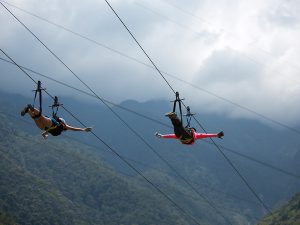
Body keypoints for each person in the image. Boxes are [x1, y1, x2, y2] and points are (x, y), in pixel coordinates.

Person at [21, 104, 92, 139]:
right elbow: (73, 128)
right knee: (39, 117)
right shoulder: (62, 126)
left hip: (47, 127)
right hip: (51, 124)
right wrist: (83, 129)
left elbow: (43, 134)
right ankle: (31, 109)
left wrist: (45, 135)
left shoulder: (60, 127)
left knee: (38, 117)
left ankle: (28, 110)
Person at [155, 112, 224, 145]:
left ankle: (174, 117)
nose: (191, 129)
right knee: (177, 126)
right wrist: (162, 136)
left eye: (191, 129)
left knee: (179, 126)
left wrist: (216, 135)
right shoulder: (193, 134)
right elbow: (171, 136)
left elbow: (206, 135)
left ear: (193, 130)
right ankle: (172, 117)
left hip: (186, 137)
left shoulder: (195, 135)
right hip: (181, 137)